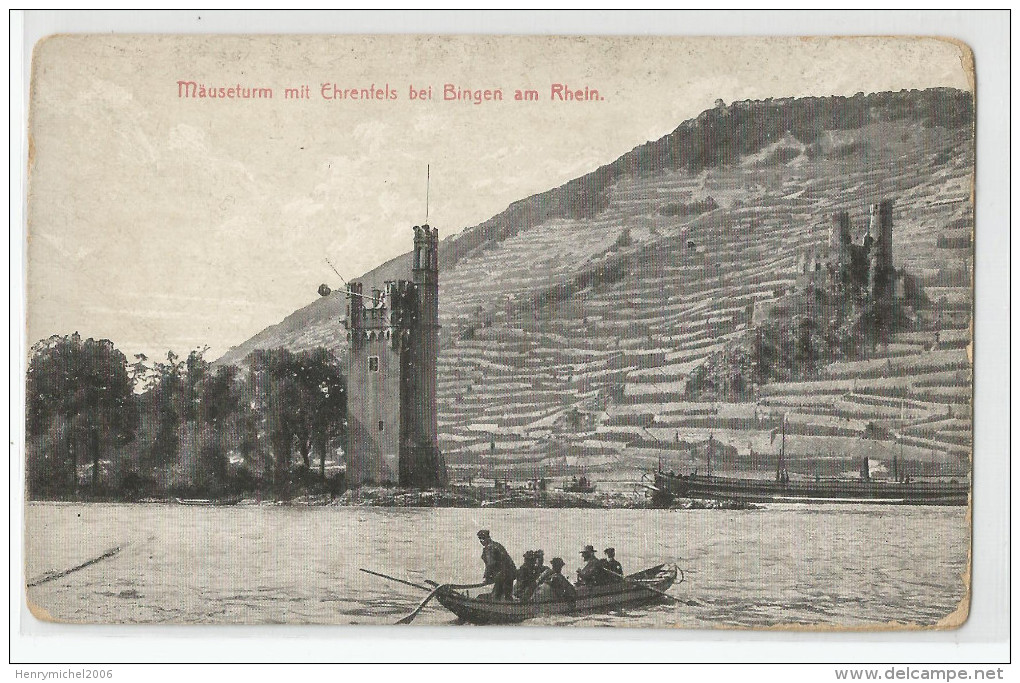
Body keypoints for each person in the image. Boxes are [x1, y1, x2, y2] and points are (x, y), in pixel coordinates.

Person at [477, 530, 516, 601]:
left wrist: (488, 577)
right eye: (480, 539)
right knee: (504, 596)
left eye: (483, 538)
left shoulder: (490, 548)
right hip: (506, 574)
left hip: (504, 575)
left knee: (497, 596)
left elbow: (490, 564)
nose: (481, 541)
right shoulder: (495, 545)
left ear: (488, 538)